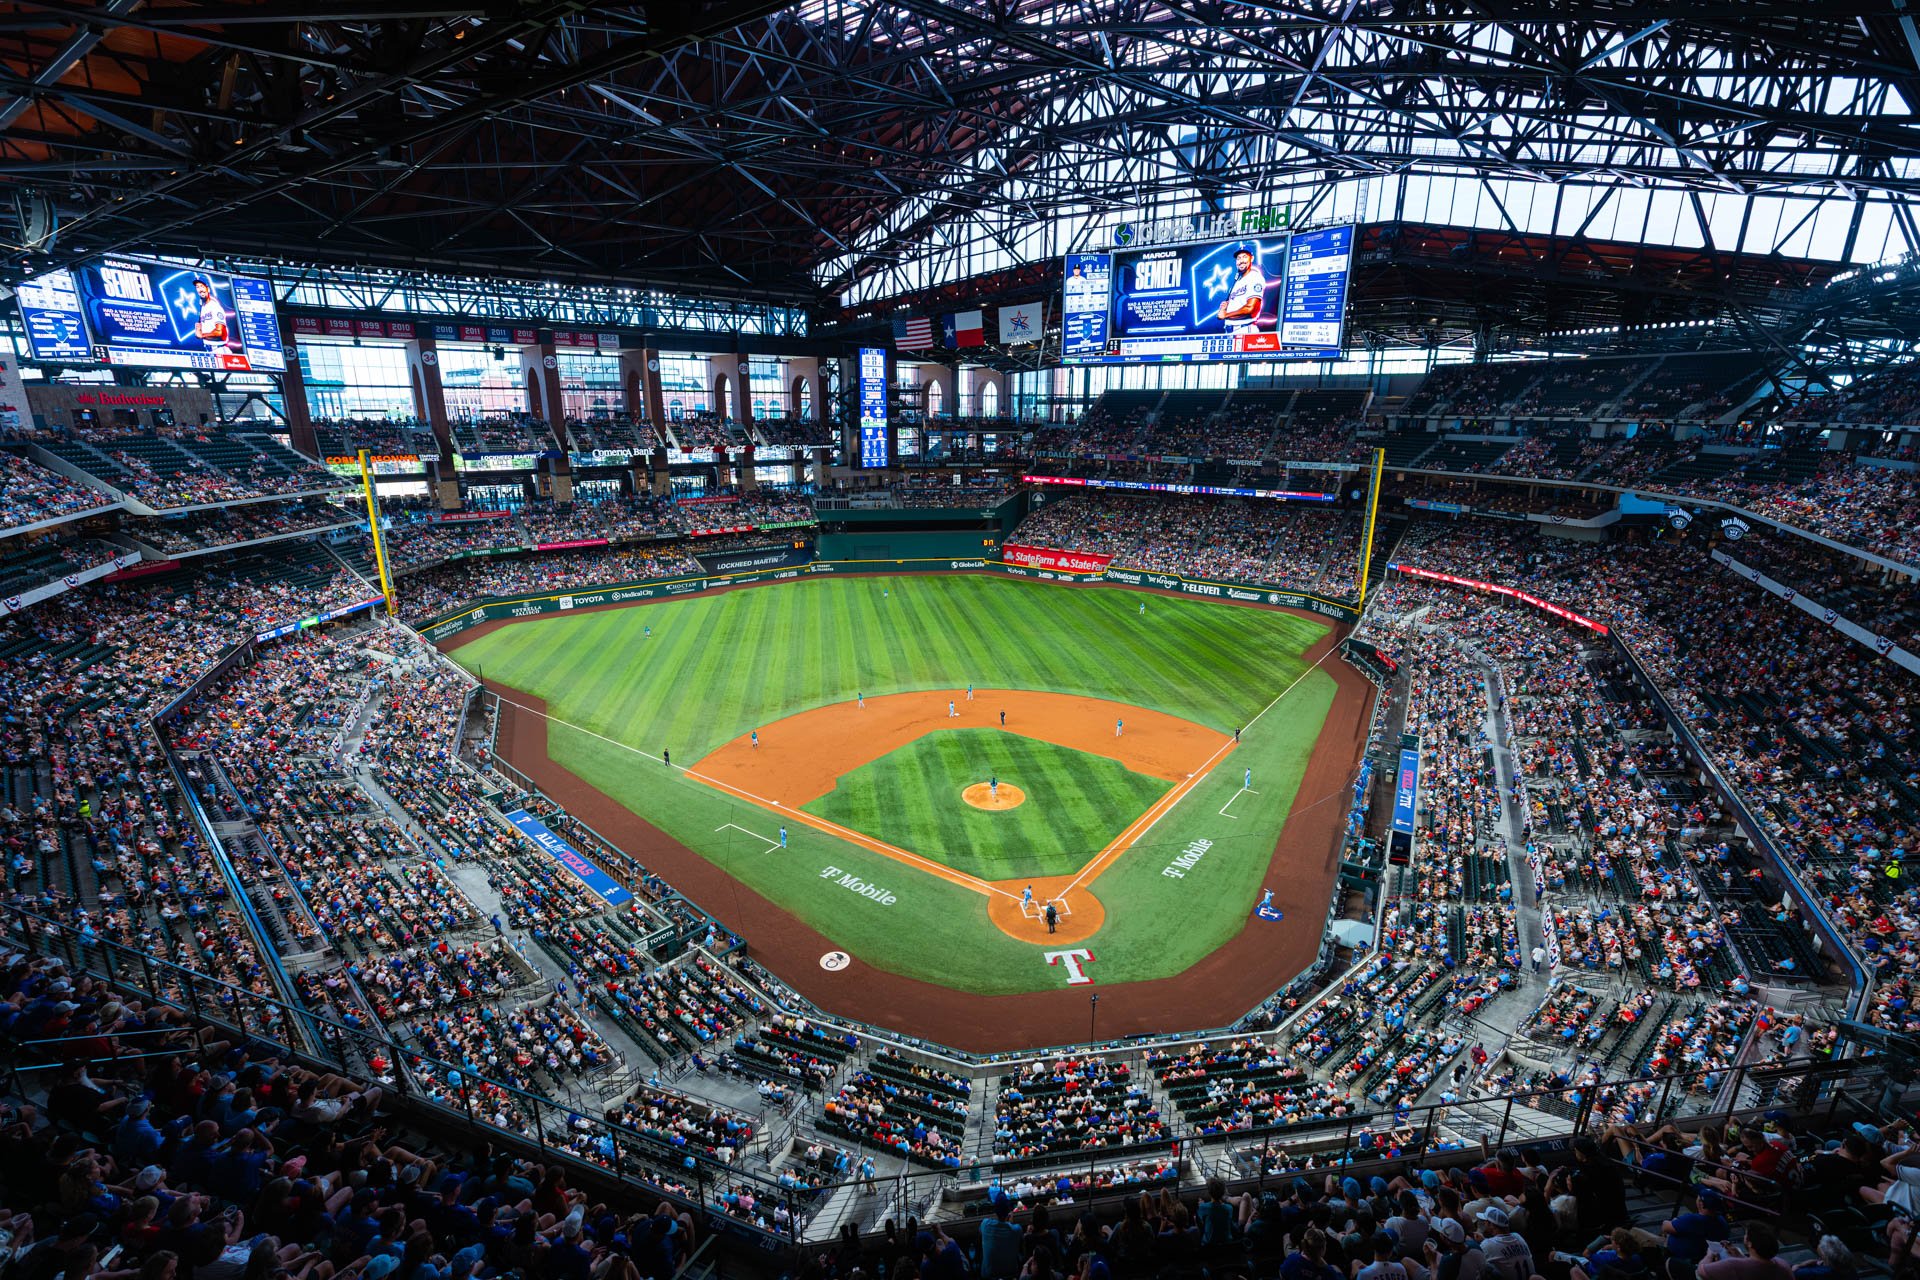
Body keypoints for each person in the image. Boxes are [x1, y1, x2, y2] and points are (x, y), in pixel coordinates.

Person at [1216, 243, 1268, 332]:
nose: (1241, 261)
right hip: (1231, 330)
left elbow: (1251, 308)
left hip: (1245, 329)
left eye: (1244, 257)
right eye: (1238, 258)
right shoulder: (1238, 281)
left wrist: (1226, 314)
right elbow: (1238, 303)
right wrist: (1227, 305)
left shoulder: (1255, 277)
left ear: (1252, 258)